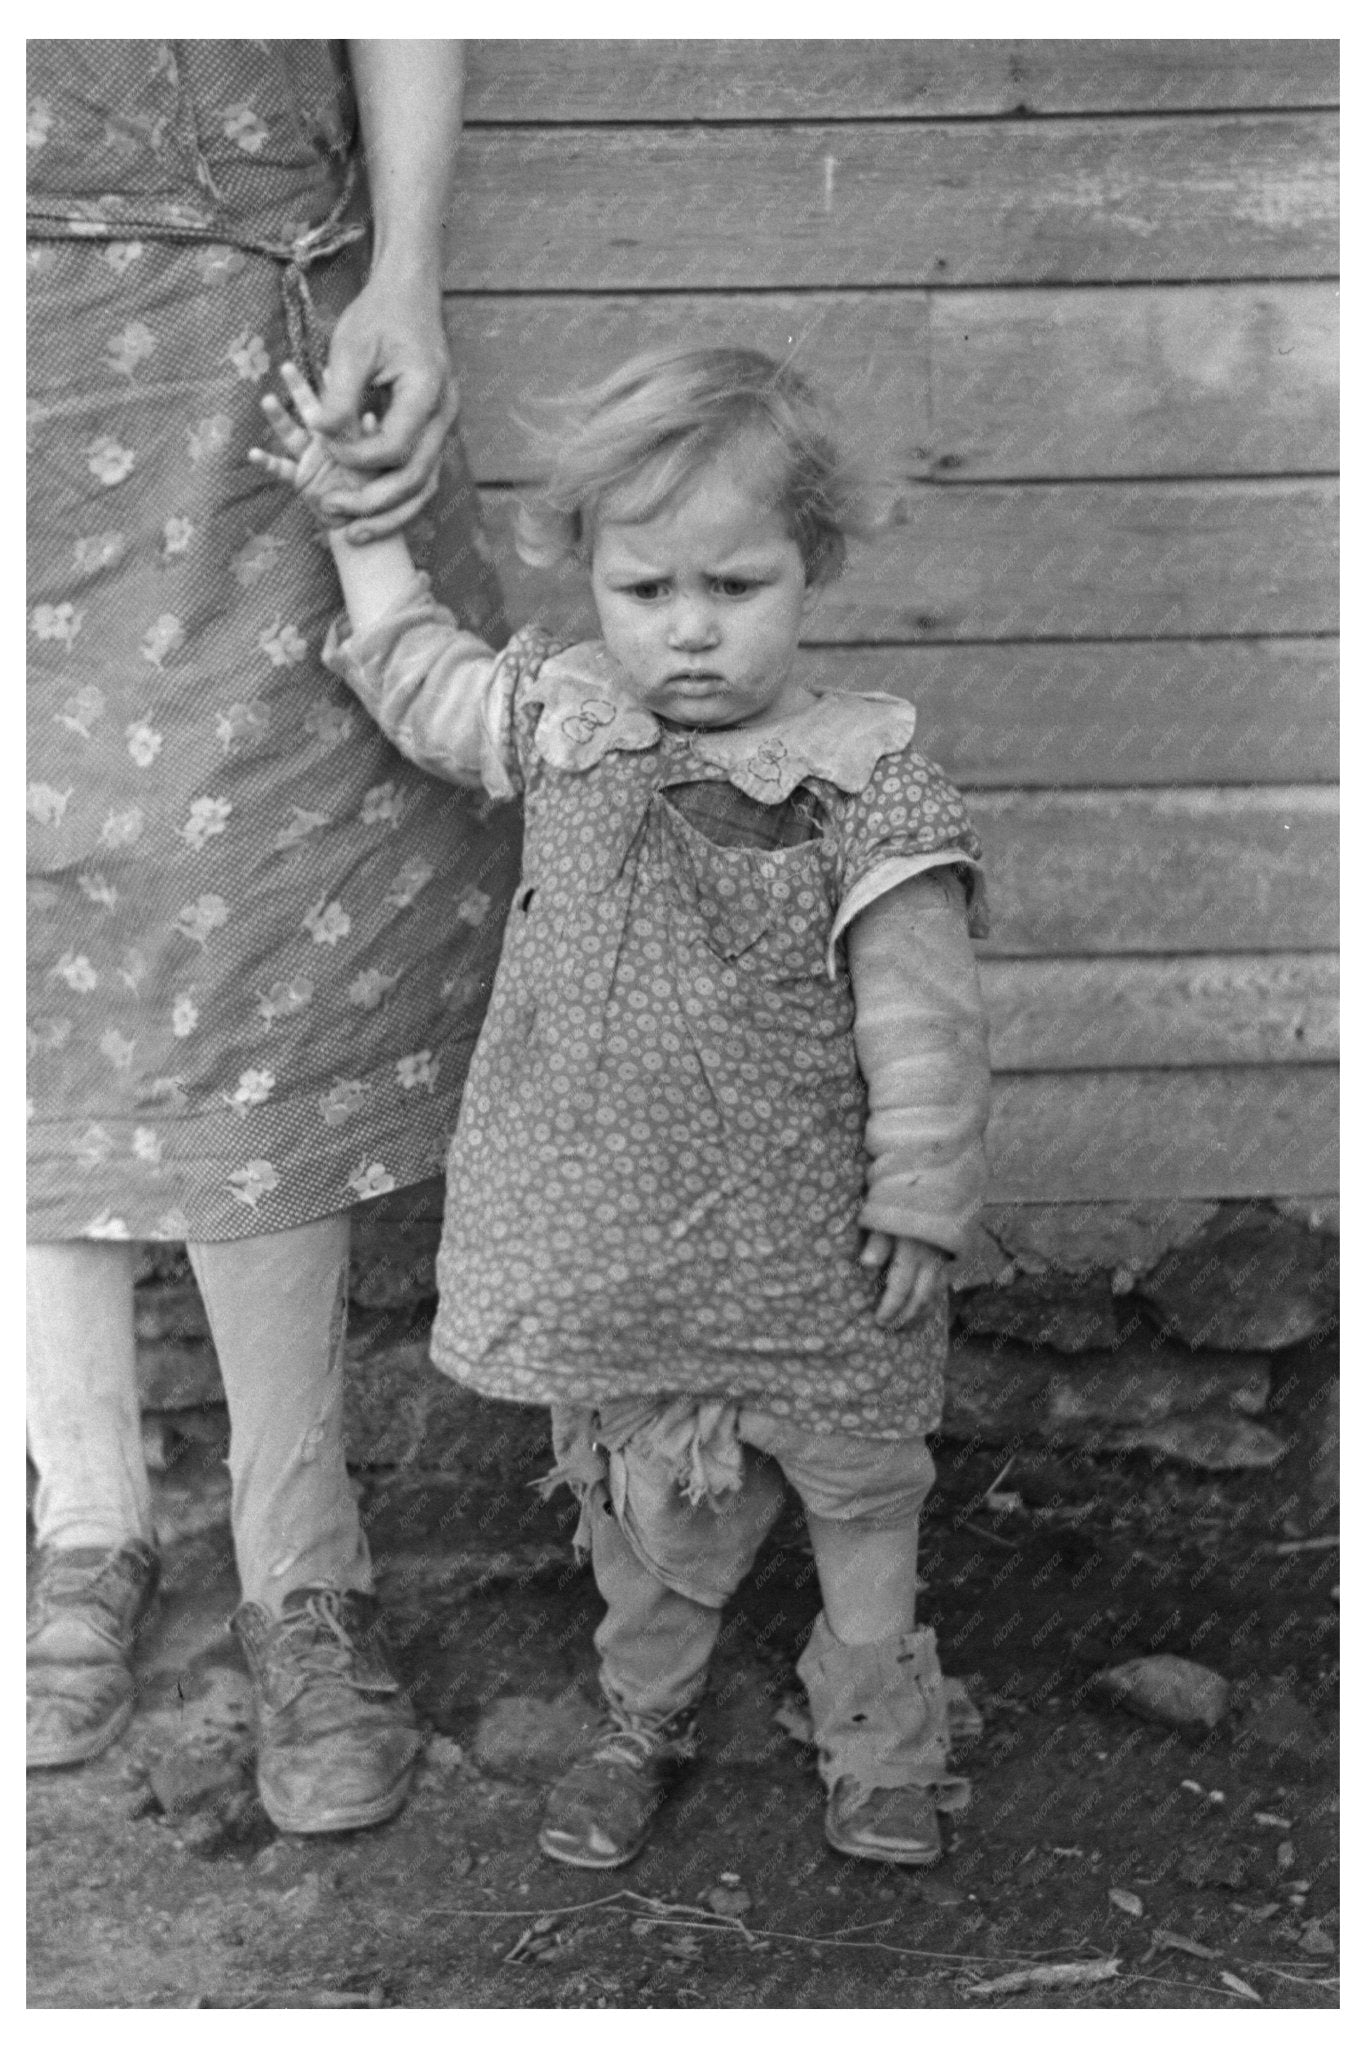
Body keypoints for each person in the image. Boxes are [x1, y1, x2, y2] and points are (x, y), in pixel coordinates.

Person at [253, 344, 992, 1867]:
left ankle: (878, 1741)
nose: (691, 632)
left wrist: (920, 1190)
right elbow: (414, 673)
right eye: (645, 591)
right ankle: (640, 1719)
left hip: (817, 1250)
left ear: (813, 568)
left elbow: (921, 1015)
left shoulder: (865, 777)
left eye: (735, 586)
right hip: (625, 1242)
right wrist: (356, 524)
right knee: (648, 1513)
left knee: (863, 1493)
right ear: (587, 573)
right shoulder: (564, 721)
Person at [25, 41, 515, 1836]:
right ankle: (82, 1521)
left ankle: (304, 1568)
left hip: (256, 345)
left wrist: (406, 265)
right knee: (29, 931)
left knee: (255, 950)